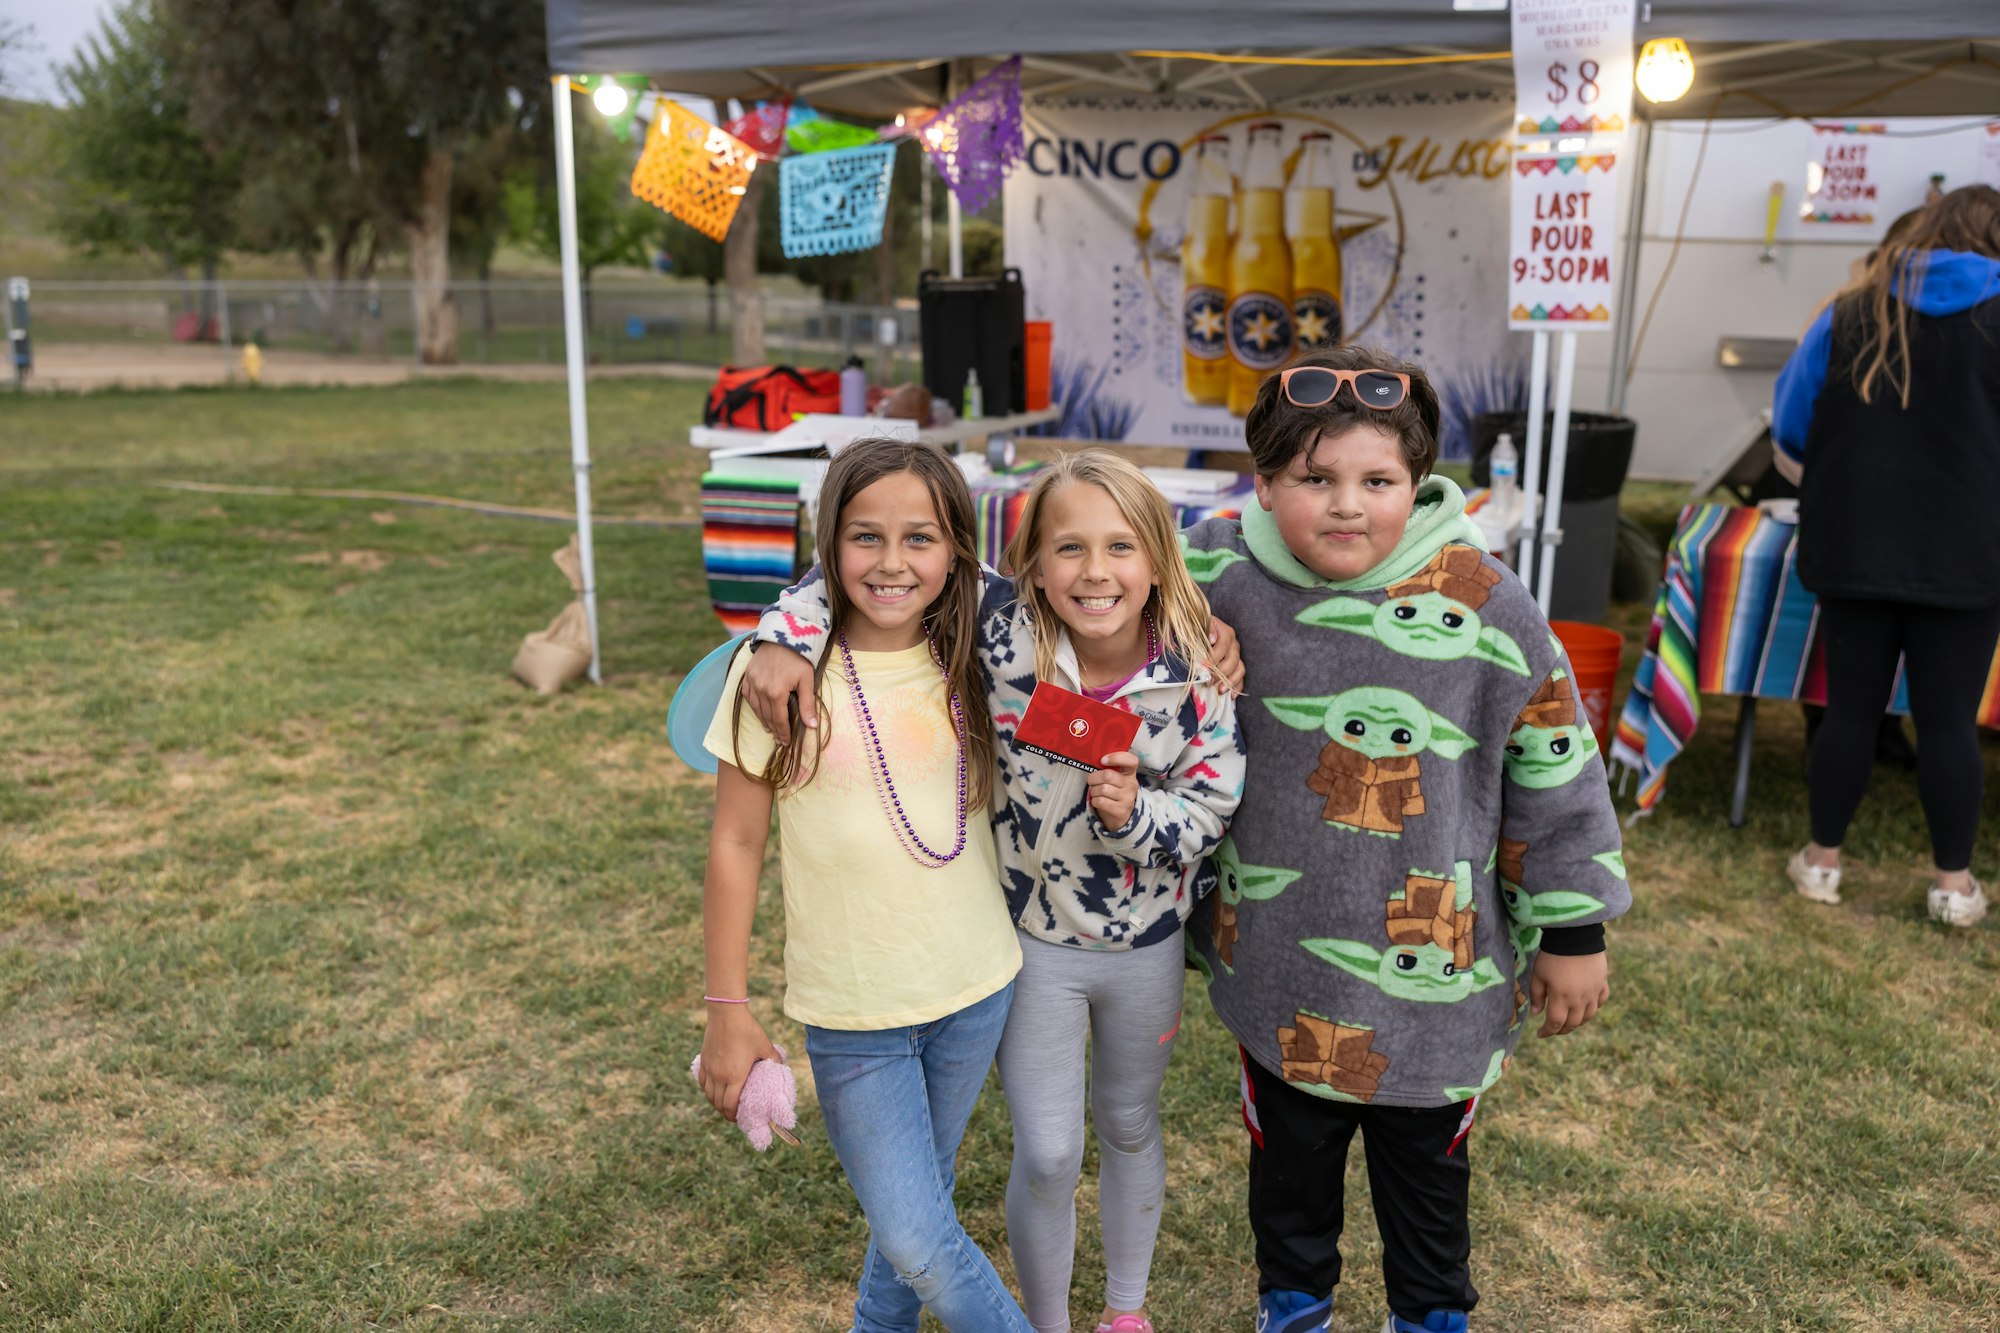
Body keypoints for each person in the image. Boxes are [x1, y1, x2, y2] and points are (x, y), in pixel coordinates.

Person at [1178, 345, 1630, 1333]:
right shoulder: (1216, 580)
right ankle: (1292, 1307)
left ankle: (1428, 1317)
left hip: (1437, 981)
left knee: (1424, 1189)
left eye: (1375, 480)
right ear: (1263, 482)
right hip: (1278, 967)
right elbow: (1086, 606)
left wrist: (1573, 929)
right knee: (1287, 1178)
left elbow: (1553, 766)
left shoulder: (1485, 604)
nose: (1345, 504)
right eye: (1313, 479)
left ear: (1415, 483)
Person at [744, 451, 1248, 1333]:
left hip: (1145, 949)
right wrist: (780, 634)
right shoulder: (1001, 631)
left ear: (1159, 559)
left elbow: (1210, 806)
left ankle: (1125, 1311)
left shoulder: (1198, 671)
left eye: (1122, 548)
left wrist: (1135, 818)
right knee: (1050, 1150)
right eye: (1069, 550)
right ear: (1030, 564)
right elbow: (879, 565)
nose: (1095, 572)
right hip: (1033, 944)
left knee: (1129, 1124)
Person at [696, 437, 1032, 1333]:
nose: (891, 562)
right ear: (826, 545)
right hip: (855, 1011)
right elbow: (735, 843)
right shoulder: (772, 678)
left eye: (920, 538)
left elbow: (1107, 598)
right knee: (921, 1239)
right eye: (864, 537)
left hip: (976, 984)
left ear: (957, 545)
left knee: (910, 1222)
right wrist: (726, 1007)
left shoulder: (982, 651)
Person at [1772, 184, 2000, 928]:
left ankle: (1822, 862)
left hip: (1852, 543)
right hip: (1969, 555)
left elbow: (1791, 427)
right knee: (1948, 723)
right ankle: (1952, 885)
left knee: (1850, 711)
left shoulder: (1849, 311)